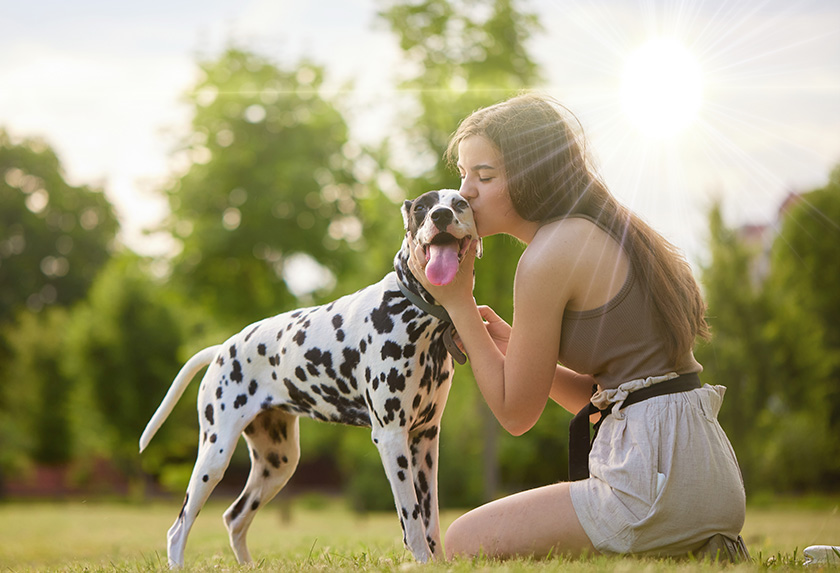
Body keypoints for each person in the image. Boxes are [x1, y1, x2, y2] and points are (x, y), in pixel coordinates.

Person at [408, 93, 746, 560]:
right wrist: (508, 345)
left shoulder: (548, 256)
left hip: (651, 480)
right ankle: (686, 544)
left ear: (533, 176)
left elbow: (515, 413)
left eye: (484, 177)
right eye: (464, 175)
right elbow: (606, 399)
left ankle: (666, 538)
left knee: (465, 539)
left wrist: (459, 304)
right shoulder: (603, 228)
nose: (466, 192)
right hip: (705, 474)